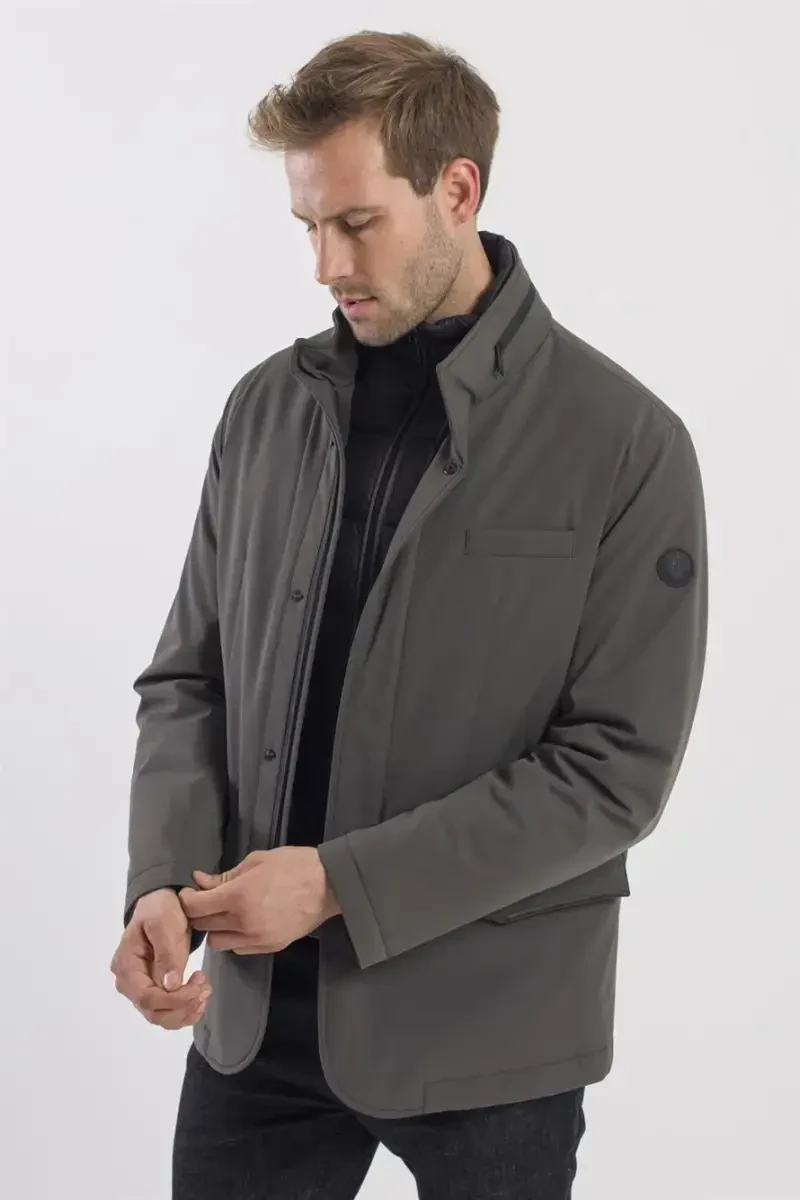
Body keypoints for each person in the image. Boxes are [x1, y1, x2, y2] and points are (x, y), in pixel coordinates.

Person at [109, 29, 708, 1200]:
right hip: (255, 1024)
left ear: (457, 190)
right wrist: (161, 880)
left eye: (357, 223)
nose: (324, 264)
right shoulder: (263, 411)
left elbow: (614, 770)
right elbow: (189, 679)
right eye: (307, 226)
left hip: (494, 1034)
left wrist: (337, 883)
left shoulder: (624, 442)